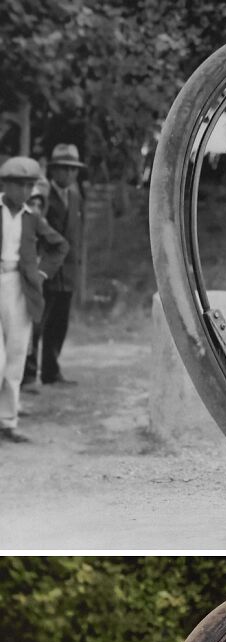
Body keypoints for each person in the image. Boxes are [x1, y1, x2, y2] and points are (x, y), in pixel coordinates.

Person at [0, 156, 68, 442]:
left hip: (21, 287)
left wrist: (40, 274)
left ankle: (7, 421)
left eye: (30, 186)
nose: (25, 192)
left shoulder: (31, 217)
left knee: (15, 354)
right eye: (20, 185)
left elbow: (60, 245)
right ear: (6, 184)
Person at [41, 143, 85, 386]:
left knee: (60, 325)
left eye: (73, 169)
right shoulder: (44, 197)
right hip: (46, 272)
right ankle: (28, 375)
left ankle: (51, 372)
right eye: (63, 168)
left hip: (68, 273)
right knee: (39, 324)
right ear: (53, 170)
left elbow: (78, 236)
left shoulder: (76, 197)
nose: (68, 174)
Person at [20, 176, 52, 395]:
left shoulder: (42, 227)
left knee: (35, 329)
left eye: (40, 204)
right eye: (32, 203)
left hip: (35, 286)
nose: (36, 208)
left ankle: (30, 374)